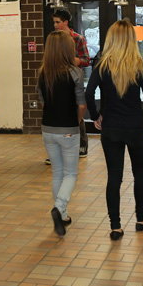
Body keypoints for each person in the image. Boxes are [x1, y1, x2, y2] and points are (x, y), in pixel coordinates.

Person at [87, 19, 143, 241]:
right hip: (136, 127)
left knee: (113, 178)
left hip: (111, 128)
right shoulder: (140, 66)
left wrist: (95, 116)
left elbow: (89, 94)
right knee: (140, 175)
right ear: (131, 40)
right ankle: (141, 219)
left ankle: (115, 227)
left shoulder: (101, 65)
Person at [39, 30, 86, 236]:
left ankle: (63, 215)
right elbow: (81, 105)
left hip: (47, 129)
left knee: (57, 173)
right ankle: (59, 208)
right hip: (68, 130)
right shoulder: (75, 73)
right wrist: (75, 121)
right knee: (71, 173)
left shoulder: (42, 73)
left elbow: (43, 102)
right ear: (68, 49)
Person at [52, 8, 91, 158]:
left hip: (74, 81)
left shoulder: (78, 39)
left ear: (65, 22)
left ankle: (82, 145)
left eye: (58, 22)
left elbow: (86, 60)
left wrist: (70, 60)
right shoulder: (53, 38)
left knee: (76, 114)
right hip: (56, 80)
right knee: (59, 115)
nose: (55, 25)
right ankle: (58, 149)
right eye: (54, 22)